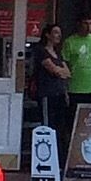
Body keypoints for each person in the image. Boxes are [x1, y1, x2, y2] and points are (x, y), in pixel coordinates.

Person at [35, 24, 72, 163]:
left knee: (60, 126)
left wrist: (60, 72)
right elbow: (54, 70)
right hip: (47, 93)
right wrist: (59, 71)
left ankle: (59, 157)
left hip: (60, 94)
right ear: (47, 34)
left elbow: (67, 73)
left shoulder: (58, 53)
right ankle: (47, 157)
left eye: (59, 33)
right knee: (48, 125)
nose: (58, 35)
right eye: (55, 32)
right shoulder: (41, 51)